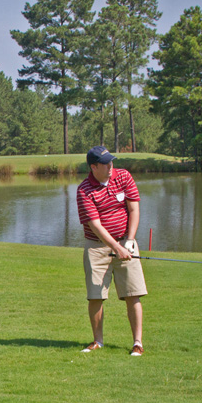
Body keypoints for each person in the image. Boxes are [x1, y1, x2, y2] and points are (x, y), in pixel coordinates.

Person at [76, 146, 147, 356]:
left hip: (126, 242)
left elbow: (133, 208)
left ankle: (138, 343)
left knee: (133, 293)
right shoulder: (84, 190)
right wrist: (115, 247)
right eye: (106, 164)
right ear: (94, 167)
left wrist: (129, 241)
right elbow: (95, 226)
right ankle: (98, 341)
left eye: (111, 162)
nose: (111, 167)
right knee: (95, 296)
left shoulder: (123, 176)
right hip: (97, 247)